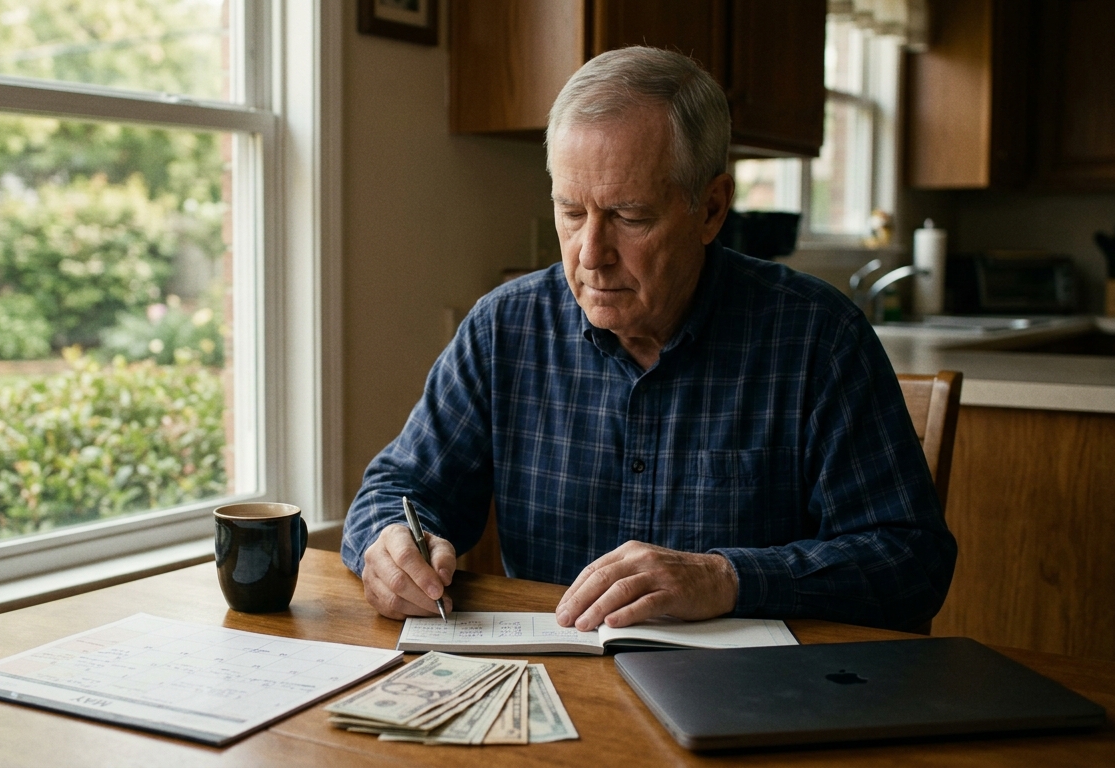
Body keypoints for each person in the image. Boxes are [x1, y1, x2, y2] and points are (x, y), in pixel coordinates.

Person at [340, 46, 956, 633]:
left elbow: (910, 560)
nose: (591, 255)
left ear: (712, 208)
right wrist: (388, 546)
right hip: (551, 691)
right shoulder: (505, 330)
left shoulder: (817, 339)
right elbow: (400, 491)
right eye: (571, 213)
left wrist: (727, 578)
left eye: (630, 217)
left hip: (746, 701)